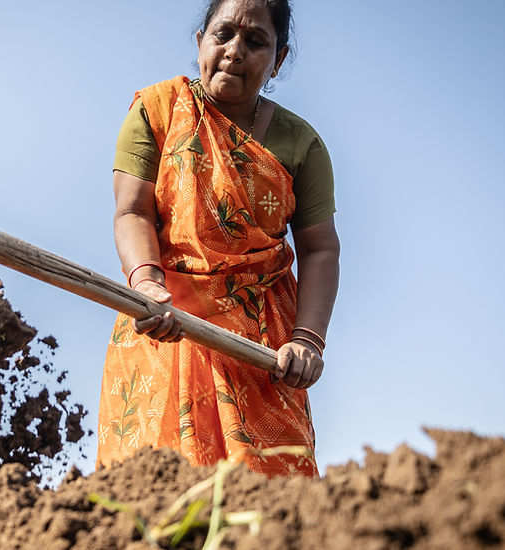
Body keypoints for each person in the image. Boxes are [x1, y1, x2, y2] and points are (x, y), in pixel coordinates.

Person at [97, 0, 339, 477]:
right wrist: (145, 286)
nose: (234, 51)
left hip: (262, 353)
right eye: (223, 35)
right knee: (155, 493)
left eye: (255, 42)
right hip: (164, 321)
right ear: (200, 41)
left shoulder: (301, 145)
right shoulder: (158, 111)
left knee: (271, 502)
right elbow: (132, 211)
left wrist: (308, 340)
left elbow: (321, 248)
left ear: (279, 59)